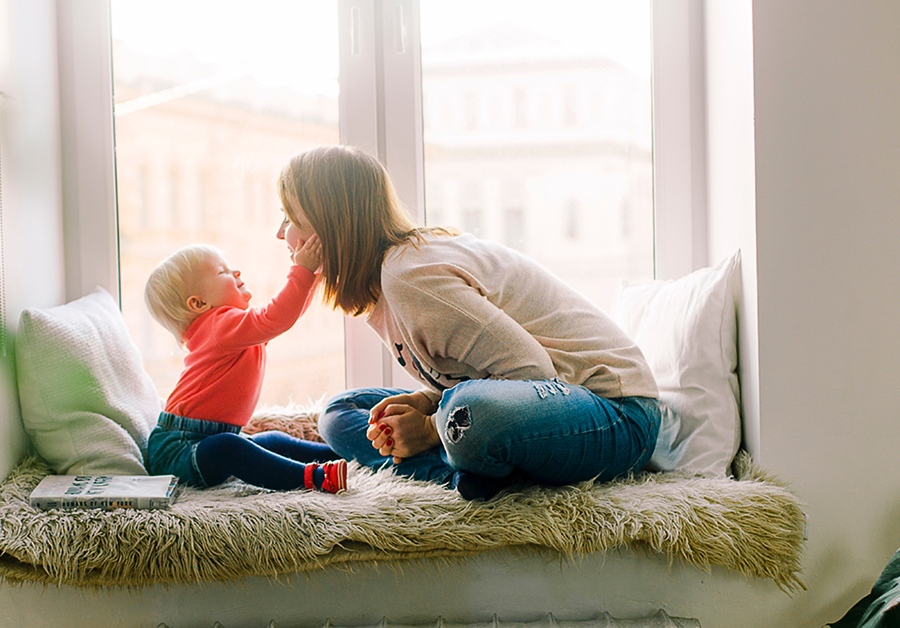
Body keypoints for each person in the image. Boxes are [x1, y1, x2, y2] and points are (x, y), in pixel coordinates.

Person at [274, 145, 661, 500]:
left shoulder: (409, 275)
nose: (281, 233)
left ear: (332, 225)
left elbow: (533, 372)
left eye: (291, 218)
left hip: (616, 414)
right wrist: (430, 404)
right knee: (342, 411)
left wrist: (428, 428)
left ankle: (459, 462)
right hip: (539, 405)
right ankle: (466, 473)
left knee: (468, 413)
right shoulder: (384, 285)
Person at [143, 239, 347, 493]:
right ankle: (313, 477)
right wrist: (303, 271)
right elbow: (278, 317)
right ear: (198, 304)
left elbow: (285, 316)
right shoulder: (219, 326)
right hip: (178, 450)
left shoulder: (231, 329)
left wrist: (313, 275)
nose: (236, 272)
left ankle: (343, 454)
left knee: (272, 440)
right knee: (229, 448)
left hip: (205, 439)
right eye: (222, 272)